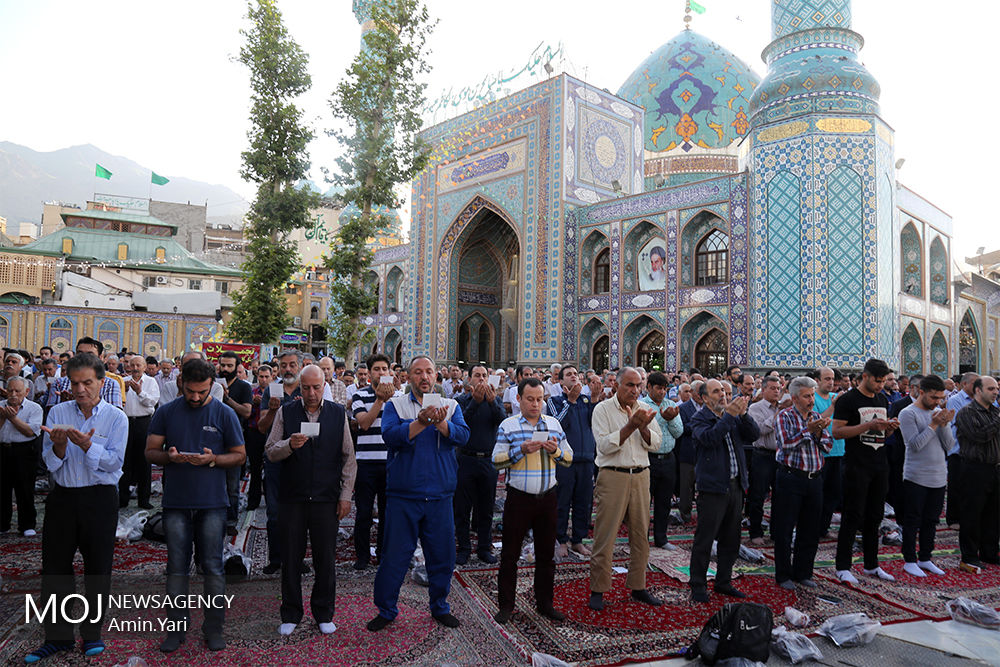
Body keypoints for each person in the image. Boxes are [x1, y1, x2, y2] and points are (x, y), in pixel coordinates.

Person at [26, 354, 127, 662]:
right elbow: (50, 464)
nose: (80, 389)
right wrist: (59, 446)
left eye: (88, 382)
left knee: (98, 568)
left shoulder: (115, 417)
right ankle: (57, 637)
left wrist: (86, 445)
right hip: (63, 499)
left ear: (102, 382)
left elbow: (114, 462)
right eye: (74, 382)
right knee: (55, 570)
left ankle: (92, 635)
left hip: (100, 500)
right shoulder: (58, 411)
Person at [145, 358, 245, 653]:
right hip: (176, 502)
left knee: (213, 567)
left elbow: (239, 455)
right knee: (176, 568)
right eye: (191, 391)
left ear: (212, 386)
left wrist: (212, 459)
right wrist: (169, 457)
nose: (196, 397)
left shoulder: (224, 413)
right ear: (181, 384)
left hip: (213, 503)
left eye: (202, 392)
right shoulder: (166, 412)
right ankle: (176, 629)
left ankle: (213, 628)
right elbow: (150, 452)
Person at [368, 356, 470, 632]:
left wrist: (439, 423)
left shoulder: (450, 406)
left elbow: (462, 436)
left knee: (442, 557)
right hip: (404, 496)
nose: (424, 377)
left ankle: (440, 607)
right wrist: (421, 423)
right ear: (408, 377)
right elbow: (390, 437)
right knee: (395, 556)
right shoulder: (395, 405)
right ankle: (387, 609)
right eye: (418, 372)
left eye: (428, 372)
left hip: (440, 495)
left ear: (436, 376)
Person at [265, 365, 356, 636]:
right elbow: (270, 451)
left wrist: (345, 496)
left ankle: (324, 612)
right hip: (293, 497)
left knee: (325, 559)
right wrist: (289, 445)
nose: (312, 393)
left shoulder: (337, 414)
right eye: (306, 388)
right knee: (291, 557)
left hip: (326, 499)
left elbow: (348, 458)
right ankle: (291, 612)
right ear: (299, 387)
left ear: (324, 385)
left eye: (316, 387)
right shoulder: (286, 412)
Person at [492, 377, 572, 624]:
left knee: (547, 556)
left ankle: (544, 603)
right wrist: (520, 451)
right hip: (519, 499)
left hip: (547, 498)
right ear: (518, 399)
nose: (536, 404)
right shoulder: (509, 425)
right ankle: (506, 606)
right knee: (510, 555)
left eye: (540, 399)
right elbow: (496, 461)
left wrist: (554, 451)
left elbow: (568, 458)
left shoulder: (554, 424)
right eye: (530, 399)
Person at [588, 367, 663, 611]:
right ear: (616, 387)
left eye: (638, 385)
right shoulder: (602, 409)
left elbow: (657, 443)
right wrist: (630, 426)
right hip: (613, 477)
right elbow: (603, 446)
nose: (635, 390)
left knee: (641, 535)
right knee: (605, 535)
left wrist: (641, 427)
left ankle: (638, 585)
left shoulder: (644, 409)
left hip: (641, 476)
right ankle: (599, 589)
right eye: (629, 385)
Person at [688, 379, 760, 602]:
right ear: (705, 398)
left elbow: (754, 435)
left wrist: (744, 415)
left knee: (732, 538)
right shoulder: (700, 419)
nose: (723, 395)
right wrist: (729, 415)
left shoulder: (734, 417)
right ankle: (698, 585)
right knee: (705, 539)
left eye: (724, 391)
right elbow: (710, 438)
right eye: (716, 392)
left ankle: (723, 581)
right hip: (712, 488)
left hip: (735, 485)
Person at [833, 358, 899, 583]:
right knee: (852, 516)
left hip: (879, 465)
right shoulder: (848, 400)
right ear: (866, 376)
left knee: (875, 517)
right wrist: (868, 426)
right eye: (878, 381)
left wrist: (889, 429)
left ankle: (871, 565)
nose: (882, 385)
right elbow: (838, 432)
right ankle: (843, 566)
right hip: (856, 465)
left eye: (884, 381)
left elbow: (880, 435)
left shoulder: (881, 399)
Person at [772, 376, 831, 590]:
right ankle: (783, 575)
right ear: (795, 397)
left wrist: (817, 433)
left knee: (810, 529)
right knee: (785, 528)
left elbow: (828, 444)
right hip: (791, 478)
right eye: (807, 396)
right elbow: (785, 444)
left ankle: (803, 572)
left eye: (812, 395)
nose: (811, 400)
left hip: (814, 479)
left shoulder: (816, 416)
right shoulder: (784, 416)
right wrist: (809, 431)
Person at [897, 374, 953, 577]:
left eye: (940, 398)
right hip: (916, 476)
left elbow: (949, 446)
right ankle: (909, 560)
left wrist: (944, 425)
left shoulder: (938, 413)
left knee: (931, 520)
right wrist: (934, 424)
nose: (937, 402)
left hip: (938, 475)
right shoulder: (907, 413)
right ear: (921, 392)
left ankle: (926, 558)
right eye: (934, 397)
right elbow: (915, 445)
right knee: (913, 519)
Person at [547, 365, 601, 559]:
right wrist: (570, 401)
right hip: (565, 460)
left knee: (583, 503)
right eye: (569, 375)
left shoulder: (586, 400)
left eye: (576, 374)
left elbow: (596, 423)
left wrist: (594, 400)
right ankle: (560, 539)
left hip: (586, 459)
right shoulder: (554, 401)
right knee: (562, 501)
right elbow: (557, 423)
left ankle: (578, 540)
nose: (574, 377)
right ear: (561, 381)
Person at [454, 364, 505, 565]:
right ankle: (464, 548)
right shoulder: (460, 401)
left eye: (485, 375)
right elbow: (460, 424)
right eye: (477, 375)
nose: (482, 379)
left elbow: (503, 422)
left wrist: (492, 403)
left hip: (488, 460)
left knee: (486, 508)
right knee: (462, 507)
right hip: (465, 459)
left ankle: (484, 548)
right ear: (470, 380)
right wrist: (475, 402)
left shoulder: (496, 401)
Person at [351, 354, 396, 570]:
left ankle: (384, 553)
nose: (381, 372)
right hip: (366, 464)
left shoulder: (399, 398)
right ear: (369, 374)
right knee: (364, 513)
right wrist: (379, 400)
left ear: (390, 372)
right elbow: (364, 424)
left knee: (388, 513)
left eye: (384, 369)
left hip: (390, 463)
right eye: (376, 369)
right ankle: (362, 556)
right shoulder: (360, 396)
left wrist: (389, 398)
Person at [954, 376, 1000, 573]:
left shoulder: (996, 412)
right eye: (991, 389)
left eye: (997, 389)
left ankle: (989, 552)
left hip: (995, 468)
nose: (995, 392)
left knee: (993, 513)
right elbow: (980, 436)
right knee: (972, 513)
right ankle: (970, 556)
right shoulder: (966, 412)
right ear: (978, 390)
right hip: (975, 468)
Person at [640, 371, 684, 550]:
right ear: (649, 387)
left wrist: (671, 419)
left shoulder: (670, 405)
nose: (662, 392)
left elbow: (678, 432)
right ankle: (641, 540)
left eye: (665, 389)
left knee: (664, 502)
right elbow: (642, 429)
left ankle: (661, 538)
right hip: (647, 459)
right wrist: (661, 418)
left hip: (668, 459)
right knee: (643, 502)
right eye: (658, 388)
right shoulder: (641, 405)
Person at [0, 376, 43, 536]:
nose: (13, 394)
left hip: (24, 451)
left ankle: (27, 525)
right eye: (10, 390)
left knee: (25, 488)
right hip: (3, 449)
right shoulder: (1, 406)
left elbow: (30, 431)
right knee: (2, 489)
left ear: (26, 391)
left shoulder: (34, 408)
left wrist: (13, 418)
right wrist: (3, 417)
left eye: (17, 391)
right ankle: (3, 524)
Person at [218, 351, 253, 536]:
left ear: (237, 367)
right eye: (222, 365)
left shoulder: (244, 387)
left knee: (232, 485)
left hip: (234, 440)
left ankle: (231, 520)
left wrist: (227, 399)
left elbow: (246, 412)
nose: (225, 369)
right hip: (214, 439)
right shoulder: (212, 384)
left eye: (229, 366)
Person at [746, 376, 784, 546]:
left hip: (781, 456)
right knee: (758, 495)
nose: (777, 391)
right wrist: (777, 415)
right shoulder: (756, 408)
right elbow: (759, 430)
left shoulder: (784, 408)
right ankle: (755, 532)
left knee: (781, 497)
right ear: (763, 390)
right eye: (773, 388)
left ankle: (777, 532)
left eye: (778, 388)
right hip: (762, 455)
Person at [120, 355, 159, 509]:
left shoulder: (151, 382)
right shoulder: (123, 382)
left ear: (144, 367)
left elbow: (152, 402)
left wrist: (139, 392)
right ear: (128, 366)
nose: (135, 368)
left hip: (143, 423)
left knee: (144, 461)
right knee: (124, 461)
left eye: (138, 365)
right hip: (126, 422)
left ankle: (144, 500)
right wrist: (126, 390)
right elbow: (118, 402)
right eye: (133, 365)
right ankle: (122, 499)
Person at [814, 367, 845, 537]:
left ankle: (823, 528)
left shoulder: (836, 398)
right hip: (821, 454)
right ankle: (815, 528)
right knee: (819, 495)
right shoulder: (814, 398)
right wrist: (833, 406)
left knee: (833, 494)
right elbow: (817, 421)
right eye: (826, 379)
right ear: (817, 381)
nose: (831, 382)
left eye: (832, 379)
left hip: (839, 451)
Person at [946, 372, 979, 527]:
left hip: (976, 451)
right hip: (958, 449)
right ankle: (953, 519)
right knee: (956, 486)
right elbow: (964, 422)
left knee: (972, 486)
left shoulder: (982, 399)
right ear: (964, 384)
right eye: (974, 383)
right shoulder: (955, 400)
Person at [676, 379, 704, 524]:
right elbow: (683, 428)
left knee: (703, 487)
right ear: (692, 392)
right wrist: (701, 425)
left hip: (704, 454)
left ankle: (703, 514)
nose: (701, 394)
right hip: (688, 453)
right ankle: (685, 515)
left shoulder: (707, 407)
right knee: (686, 486)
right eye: (698, 391)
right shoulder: (684, 408)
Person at [245, 364, 272, 511]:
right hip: (254, 432)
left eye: (266, 376)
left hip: (269, 434)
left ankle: (270, 500)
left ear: (271, 377)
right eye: (261, 376)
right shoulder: (251, 391)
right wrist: (253, 403)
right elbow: (246, 413)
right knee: (255, 469)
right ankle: (253, 500)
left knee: (270, 468)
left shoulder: (275, 392)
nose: (263, 379)